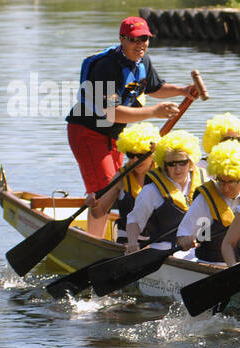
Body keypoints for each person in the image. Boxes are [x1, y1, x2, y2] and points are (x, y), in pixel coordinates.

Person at [66, 16, 201, 238]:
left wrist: (182, 90)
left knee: (122, 184)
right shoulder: (106, 68)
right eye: (134, 40)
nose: (140, 45)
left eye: (145, 39)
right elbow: (112, 113)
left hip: (115, 134)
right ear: (122, 39)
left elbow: (155, 88)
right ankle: (94, 243)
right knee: (106, 189)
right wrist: (154, 112)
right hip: (88, 132)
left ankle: (129, 236)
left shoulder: (143, 61)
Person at [126, 129, 203, 252]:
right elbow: (134, 220)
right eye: (172, 164)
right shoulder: (151, 191)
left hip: (199, 252)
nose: (177, 169)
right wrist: (132, 242)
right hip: (164, 251)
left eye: (182, 163)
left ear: (190, 162)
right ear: (164, 165)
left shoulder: (204, 183)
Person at [177, 141, 240, 263]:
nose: (225, 188)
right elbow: (183, 234)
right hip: (210, 263)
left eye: (231, 182)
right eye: (221, 181)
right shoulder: (205, 198)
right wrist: (185, 240)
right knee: (204, 230)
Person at [86, 121, 159, 242]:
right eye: (131, 155)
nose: (135, 160)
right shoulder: (121, 177)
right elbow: (99, 213)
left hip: (158, 241)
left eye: (140, 155)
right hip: (127, 240)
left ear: (152, 154)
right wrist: (94, 205)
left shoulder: (164, 175)